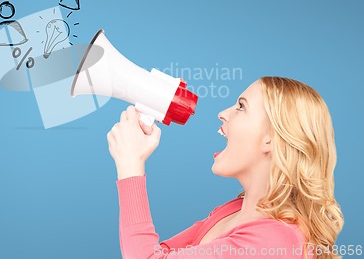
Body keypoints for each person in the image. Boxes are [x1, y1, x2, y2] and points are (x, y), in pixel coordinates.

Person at [107, 77, 343, 259]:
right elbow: (158, 253)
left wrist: (130, 165)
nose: (223, 113)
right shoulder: (232, 211)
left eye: (241, 107)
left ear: (272, 138)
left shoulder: (275, 240)